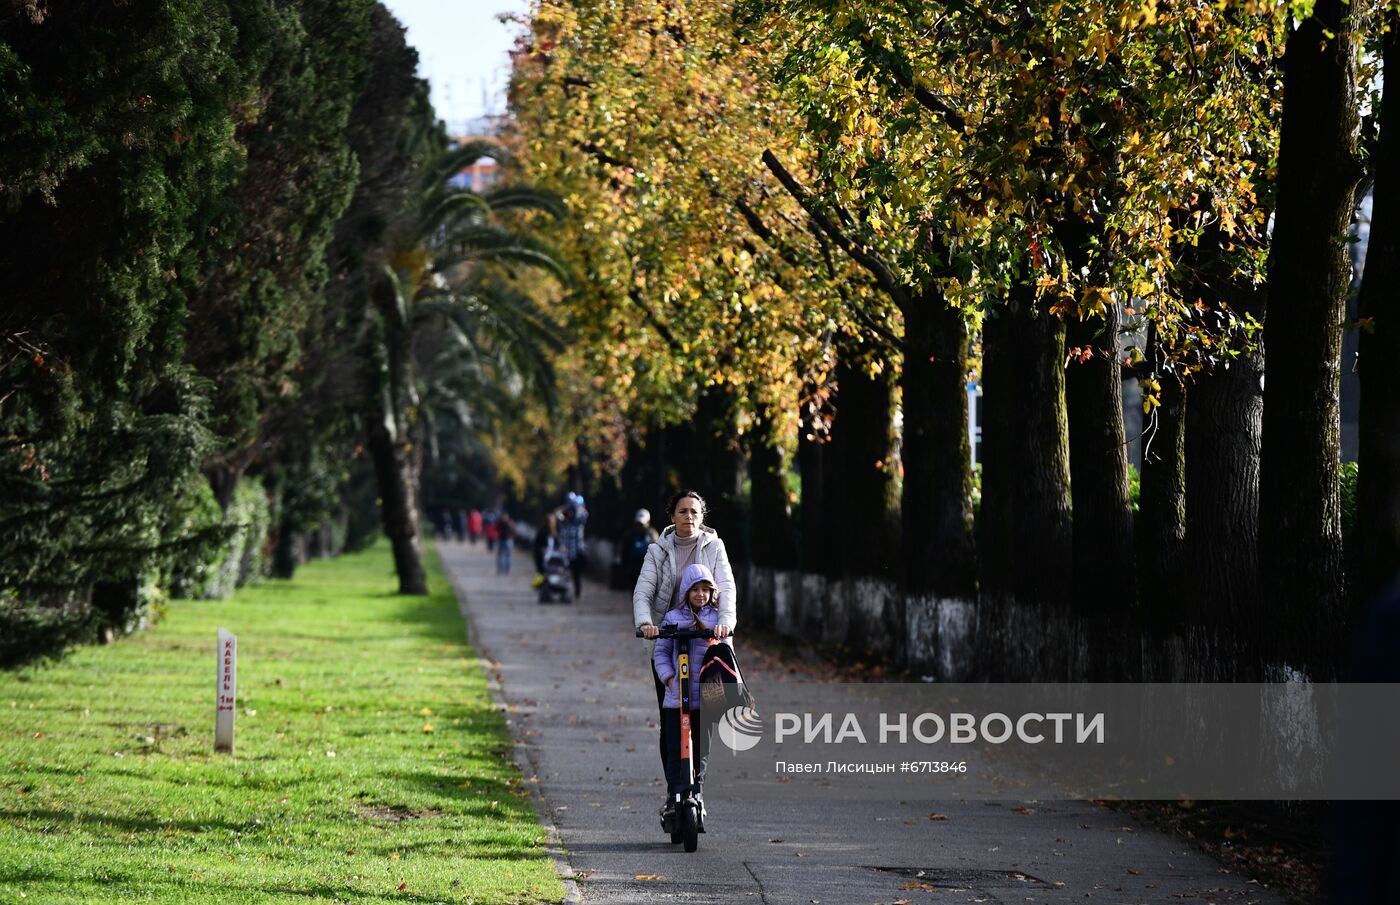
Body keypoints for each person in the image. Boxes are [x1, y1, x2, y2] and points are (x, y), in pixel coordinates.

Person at [633, 489, 736, 813]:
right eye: (682, 511)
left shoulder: (714, 547)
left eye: (694, 511)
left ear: (702, 517)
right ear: (672, 516)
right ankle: (674, 792)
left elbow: (727, 588)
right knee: (672, 721)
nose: (688, 517)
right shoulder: (658, 551)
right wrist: (647, 624)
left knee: (703, 721)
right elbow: (643, 592)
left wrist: (725, 623)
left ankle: (696, 788)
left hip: (706, 643)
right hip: (669, 639)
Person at [652, 563, 729, 822]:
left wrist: (723, 633)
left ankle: (698, 792)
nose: (700, 594)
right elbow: (661, 652)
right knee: (675, 748)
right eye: (694, 589)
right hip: (677, 700)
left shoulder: (716, 619)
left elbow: (726, 652)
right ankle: (675, 796)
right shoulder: (674, 618)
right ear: (685, 591)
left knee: (701, 750)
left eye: (705, 590)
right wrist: (669, 677)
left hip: (705, 701)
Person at [613, 508, 659, 589]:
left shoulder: (629, 533)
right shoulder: (652, 533)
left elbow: (624, 553)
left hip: (633, 570)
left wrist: (625, 569)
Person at [556, 502, 588, 599]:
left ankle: (577, 594)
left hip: (578, 554)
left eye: (571, 512)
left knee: (577, 575)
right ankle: (565, 594)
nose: (570, 514)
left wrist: (578, 506)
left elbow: (585, 514)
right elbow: (557, 515)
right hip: (567, 554)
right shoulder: (564, 524)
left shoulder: (579, 523)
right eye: (568, 512)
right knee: (566, 575)